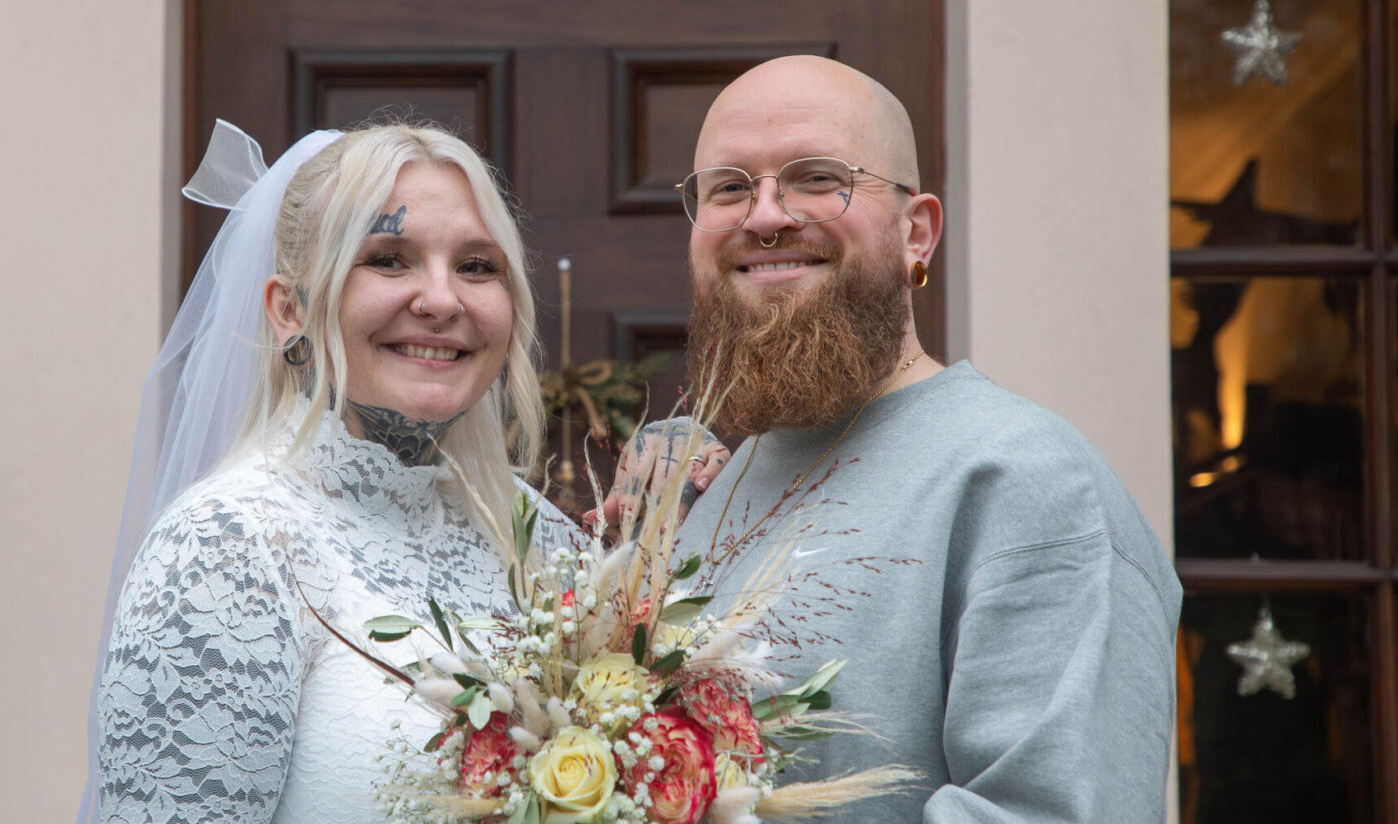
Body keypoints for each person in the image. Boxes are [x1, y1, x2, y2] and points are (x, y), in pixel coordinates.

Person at [664, 56, 1183, 822]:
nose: (765, 216)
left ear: (917, 234)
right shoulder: (719, 489)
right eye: (730, 187)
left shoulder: (1025, 480)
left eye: (816, 178)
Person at [79, 120, 574, 822]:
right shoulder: (228, 547)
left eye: (475, 266)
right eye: (388, 259)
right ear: (289, 312)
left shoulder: (550, 545)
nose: (441, 300)